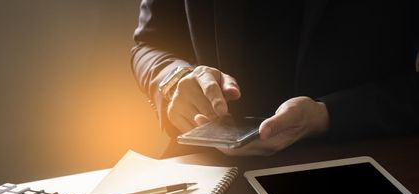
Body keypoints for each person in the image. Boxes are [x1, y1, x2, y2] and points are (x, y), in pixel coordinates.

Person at [130, 0, 419, 156]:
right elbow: (151, 44)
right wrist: (174, 80)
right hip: (208, 165)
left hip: (363, 158)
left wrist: (327, 115)